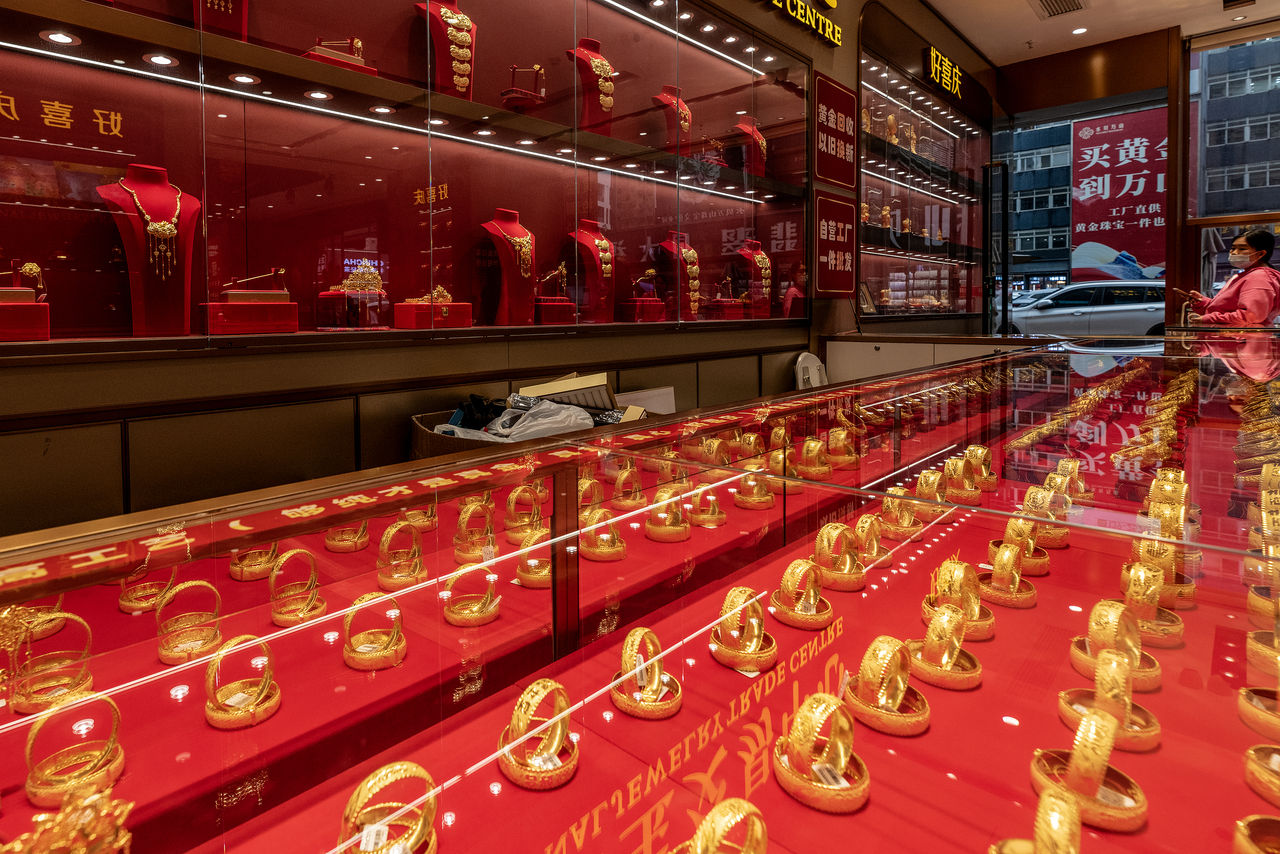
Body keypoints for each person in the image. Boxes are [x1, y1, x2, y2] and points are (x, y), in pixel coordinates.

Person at [1185, 228, 1280, 326]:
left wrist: (1209, 318)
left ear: (1260, 253)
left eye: (1242, 249)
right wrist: (1202, 302)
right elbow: (1226, 308)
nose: (1234, 252)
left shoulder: (1259, 277)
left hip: (1242, 335)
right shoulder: (1245, 275)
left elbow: (1250, 316)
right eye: (1233, 248)